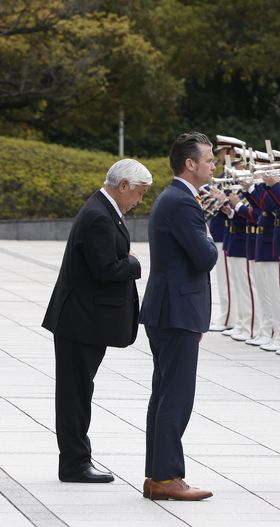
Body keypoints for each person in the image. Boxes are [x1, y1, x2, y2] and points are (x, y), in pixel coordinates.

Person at [42, 159, 152, 483]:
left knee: (78, 391)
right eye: (140, 193)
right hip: (80, 321)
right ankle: (74, 463)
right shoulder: (98, 217)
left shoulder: (103, 210)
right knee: (75, 393)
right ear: (123, 186)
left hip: (83, 319)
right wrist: (133, 264)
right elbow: (106, 269)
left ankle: (76, 459)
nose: (140, 200)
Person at [139, 132, 217, 501]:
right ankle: (166, 476)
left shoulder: (176, 198)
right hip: (177, 311)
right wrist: (209, 237)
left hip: (170, 308)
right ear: (190, 164)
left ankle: (157, 475)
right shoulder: (182, 202)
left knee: (165, 394)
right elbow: (205, 257)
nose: (213, 166)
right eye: (209, 160)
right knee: (176, 396)